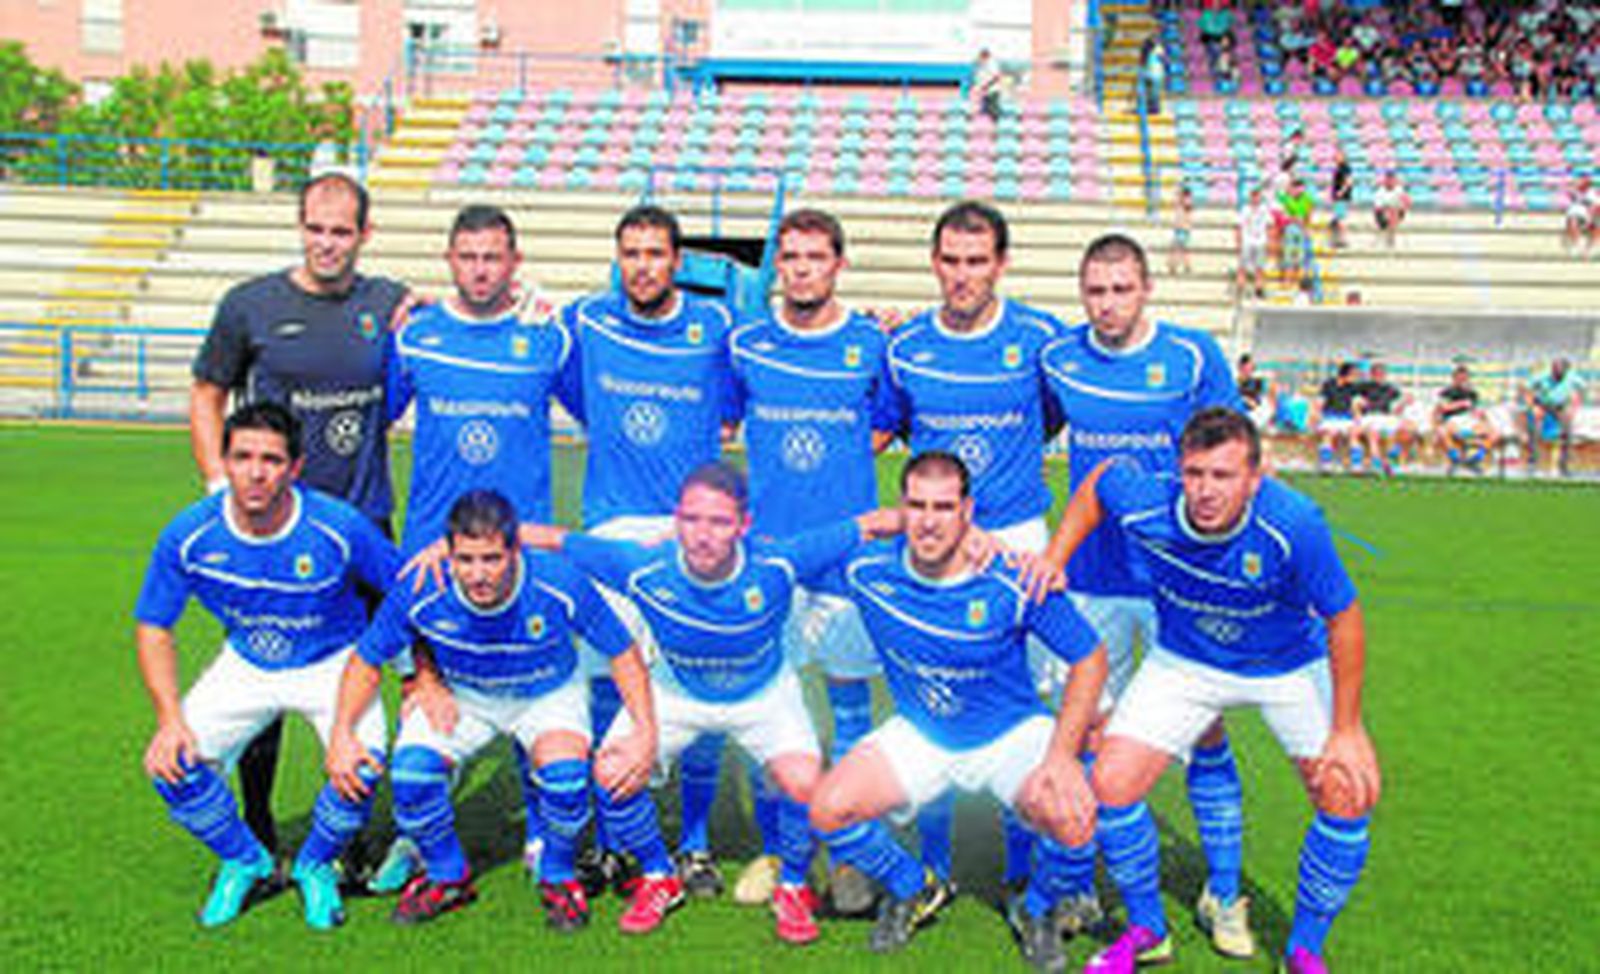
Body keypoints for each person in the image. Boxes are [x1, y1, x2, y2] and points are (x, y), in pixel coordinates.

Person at [1047, 408, 1379, 974]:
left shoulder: (1294, 521)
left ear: (1255, 478)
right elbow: (1100, 482)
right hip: (1187, 662)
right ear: (1179, 471)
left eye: (1223, 475)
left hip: (1286, 667)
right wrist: (1055, 559)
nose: (1205, 490)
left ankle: (1304, 949)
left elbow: (1343, 617)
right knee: (1111, 782)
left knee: (1347, 792)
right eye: (1194, 473)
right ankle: (1148, 930)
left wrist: (1347, 729)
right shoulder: (1149, 501)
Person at [517, 463, 906, 942]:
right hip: (675, 691)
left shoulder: (778, 563)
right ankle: (659, 876)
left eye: (719, 522)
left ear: (744, 525)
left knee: (804, 782)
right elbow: (555, 539)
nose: (702, 535)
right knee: (611, 772)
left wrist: (967, 536)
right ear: (675, 519)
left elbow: (870, 524)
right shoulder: (641, 567)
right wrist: (444, 546)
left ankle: (792, 886)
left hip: (763, 696)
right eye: (691, 519)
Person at [808, 451, 1107, 971]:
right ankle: (914, 886)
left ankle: (1035, 908)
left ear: (967, 511)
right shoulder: (867, 569)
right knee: (828, 809)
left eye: (944, 507)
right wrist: (872, 522)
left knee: (1075, 817)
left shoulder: (1011, 577)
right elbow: (788, 556)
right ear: (902, 507)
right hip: (922, 733)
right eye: (917, 505)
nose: (928, 521)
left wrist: (1061, 757)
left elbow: (1090, 658)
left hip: (1009, 733)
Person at [1040, 234, 1254, 959]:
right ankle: (1080, 885)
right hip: (1091, 578)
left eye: (1121, 289)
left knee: (1205, 730)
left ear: (1146, 288)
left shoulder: (1192, 356)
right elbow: (1033, 422)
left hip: (1175, 579)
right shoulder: (1059, 358)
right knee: (1089, 732)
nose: (1107, 304)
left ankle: (1224, 893)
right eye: (1095, 290)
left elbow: (1234, 455)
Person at [187, 171, 408, 859]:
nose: (326, 243)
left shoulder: (388, 302)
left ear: (365, 234)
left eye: (341, 231)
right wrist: (217, 482)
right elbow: (206, 392)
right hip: (272, 529)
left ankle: (349, 833)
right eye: (315, 228)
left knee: (365, 673)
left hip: (363, 524)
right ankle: (256, 828)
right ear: (300, 227)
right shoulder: (249, 305)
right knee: (267, 667)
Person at [326, 490, 656, 930]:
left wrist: (645, 733)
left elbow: (623, 653)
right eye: (465, 560)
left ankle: (559, 876)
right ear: (448, 553)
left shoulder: (558, 581)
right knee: (411, 775)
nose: (478, 574)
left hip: (546, 694)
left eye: (491, 559)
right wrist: (342, 734)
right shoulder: (423, 586)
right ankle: (447, 876)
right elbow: (365, 661)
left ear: (516, 550)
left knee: (565, 779)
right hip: (465, 696)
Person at [373, 204, 582, 889]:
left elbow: (600, 408)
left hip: (522, 547)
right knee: (420, 685)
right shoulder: (416, 336)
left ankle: (540, 829)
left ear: (514, 262)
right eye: (468, 256)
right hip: (433, 551)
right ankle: (415, 834)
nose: (481, 269)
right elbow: (374, 412)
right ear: (449, 260)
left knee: (531, 678)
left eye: (493, 257)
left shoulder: (546, 338)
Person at [135, 403, 399, 930]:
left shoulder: (338, 526)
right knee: (171, 765)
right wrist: (169, 720)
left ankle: (314, 864)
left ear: (295, 468)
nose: (256, 472)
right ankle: (245, 859)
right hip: (248, 663)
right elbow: (154, 626)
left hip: (333, 663)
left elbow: (405, 590)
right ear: (224, 462)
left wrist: (412, 671)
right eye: (243, 457)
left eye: (272, 460)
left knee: (362, 768)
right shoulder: (189, 534)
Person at [885, 199, 1065, 905]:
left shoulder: (1040, 338)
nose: (963, 275)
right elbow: (898, 430)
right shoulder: (905, 347)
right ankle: (937, 862)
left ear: (1001, 264)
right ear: (935, 263)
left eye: (977, 261)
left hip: (1017, 537)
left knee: (1026, 696)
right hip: (935, 536)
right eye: (951, 261)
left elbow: (1050, 418)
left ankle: (1022, 862)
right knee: (935, 686)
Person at [724, 208, 900, 914]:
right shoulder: (748, 343)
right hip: (770, 560)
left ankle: (848, 856)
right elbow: (728, 420)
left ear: (838, 264)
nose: (801, 269)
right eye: (790, 257)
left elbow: (883, 427)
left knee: (851, 715)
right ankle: (779, 851)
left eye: (815, 257)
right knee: (773, 715)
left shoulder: (871, 344)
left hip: (848, 561)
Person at [559, 204, 738, 897]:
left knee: (699, 677)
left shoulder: (715, 325)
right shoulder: (587, 320)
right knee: (608, 677)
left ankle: (693, 843)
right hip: (610, 529)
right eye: (630, 253)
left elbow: (740, 397)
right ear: (617, 258)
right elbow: (566, 386)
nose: (642, 266)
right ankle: (612, 840)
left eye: (655, 253)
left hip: (690, 531)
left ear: (677, 261)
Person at [1521, 357, 1584, 476]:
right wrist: (1532, 406)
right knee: (1534, 428)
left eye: (1560, 371)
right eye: (1555, 370)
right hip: (1542, 404)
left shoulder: (1572, 378)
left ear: (1566, 370)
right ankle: (1533, 460)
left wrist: (1574, 406)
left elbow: (1581, 390)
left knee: (1567, 431)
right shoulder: (1543, 376)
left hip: (1561, 406)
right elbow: (1525, 388)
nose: (1557, 373)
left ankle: (1564, 464)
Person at [1433, 363, 1497, 474]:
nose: (1463, 381)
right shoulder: (1446, 392)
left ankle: (1476, 459)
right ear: (1454, 378)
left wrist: (1481, 414)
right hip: (1453, 420)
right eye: (1460, 378)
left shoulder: (1472, 394)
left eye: (1465, 378)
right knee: (1441, 431)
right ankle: (1456, 460)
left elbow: (1476, 409)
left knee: (1495, 433)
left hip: (1470, 420)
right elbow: (1443, 408)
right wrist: (1461, 404)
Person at [1355, 361, 1415, 475]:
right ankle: (1376, 463)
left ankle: (1395, 461)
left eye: (1382, 373)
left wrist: (1404, 402)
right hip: (1369, 416)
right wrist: (1358, 416)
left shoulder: (1391, 389)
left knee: (1408, 428)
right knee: (1372, 432)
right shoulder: (1363, 387)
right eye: (1377, 373)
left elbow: (1396, 410)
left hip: (1386, 416)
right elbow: (1355, 403)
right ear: (1371, 374)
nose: (1379, 376)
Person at [1313, 361, 1366, 473]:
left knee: (1354, 434)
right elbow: (1320, 402)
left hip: (1346, 418)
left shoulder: (1353, 388)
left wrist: (1358, 421)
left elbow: (1355, 406)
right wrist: (1316, 417)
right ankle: (1326, 464)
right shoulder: (1329, 385)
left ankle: (1356, 465)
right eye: (1354, 374)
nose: (1355, 377)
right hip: (1329, 416)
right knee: (1329, 433)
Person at [1236, 184, 1273, 299]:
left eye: (1257, 195)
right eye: (1253, 195)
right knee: (1242, 266)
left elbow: (1269, 225)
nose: (1255, 197)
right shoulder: (1245, 209)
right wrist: (1238, 242)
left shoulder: (1264, 209)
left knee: (1259, 267)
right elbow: (1239, 226)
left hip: (1260, 241)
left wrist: (1270, 241)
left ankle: (1258, 289)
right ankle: (1241, 288)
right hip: (1247, 240)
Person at [1372, 170, 1410, 250]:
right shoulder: (1380, 191)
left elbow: (1407, 203)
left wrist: (1401, 209)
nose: (1390, 181)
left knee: (1393, 215)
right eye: (1388, 179)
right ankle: (1388, 239)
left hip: (1396, 212)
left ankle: (1390, 239)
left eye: (1391, 179)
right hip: (1383, 213)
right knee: (1387, 217)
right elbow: (1378, 208)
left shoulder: (1399, 190)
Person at [1237, 353, 1275, 430]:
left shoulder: (1258, 381)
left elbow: (1262, 398)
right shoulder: (1236, 382)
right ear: (1241, 367)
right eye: (1247, 367)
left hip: (1256, 413)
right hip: (1243, 412)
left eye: (1251, 367)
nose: (1250, 370)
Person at [1562, 175, 1598, 256]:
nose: (1581, 183)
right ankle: (1577, 245)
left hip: (1588, 216)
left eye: (1584, 182)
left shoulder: (1592, 193)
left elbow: (1595, 206)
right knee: (1573, 222)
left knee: (1597, 227)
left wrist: (1591, 214)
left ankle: (1589, 248)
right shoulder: (1573, 191)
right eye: (1581, 181)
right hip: (1575, 214)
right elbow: (1565, 188)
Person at [1328, 148, 1353, 250]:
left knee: (1340, 219)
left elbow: (1349, 182)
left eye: (1338, 155)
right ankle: (1337, 240)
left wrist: (1341, 191)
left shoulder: (1345, 168)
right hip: (1337, 197)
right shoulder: (1337, 167)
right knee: (1336, 220)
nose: (1336, 157)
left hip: (1342, 198)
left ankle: (1343, 240)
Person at [1167, 184, 1194, 276]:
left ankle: (1177, 265)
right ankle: (1182, 266)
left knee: (1180, 248)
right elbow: (1174, 201)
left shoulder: (1187, 205)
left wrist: (1180, 196)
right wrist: (1177, 194)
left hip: (1183, 229)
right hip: (1179, 229)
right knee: (1180, 248)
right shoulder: (1179, 205)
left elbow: (1187, 206)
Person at [973, 48, 1003, 122]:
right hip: (986, 92)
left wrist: (986, 85)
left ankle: (997, 124)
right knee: (986, 110)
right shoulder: (983, 65)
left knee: (993, 110)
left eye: (981, 56)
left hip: (993, 91)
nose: (980, 58)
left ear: (985, 56)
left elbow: (997, 76)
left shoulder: (991, 64)